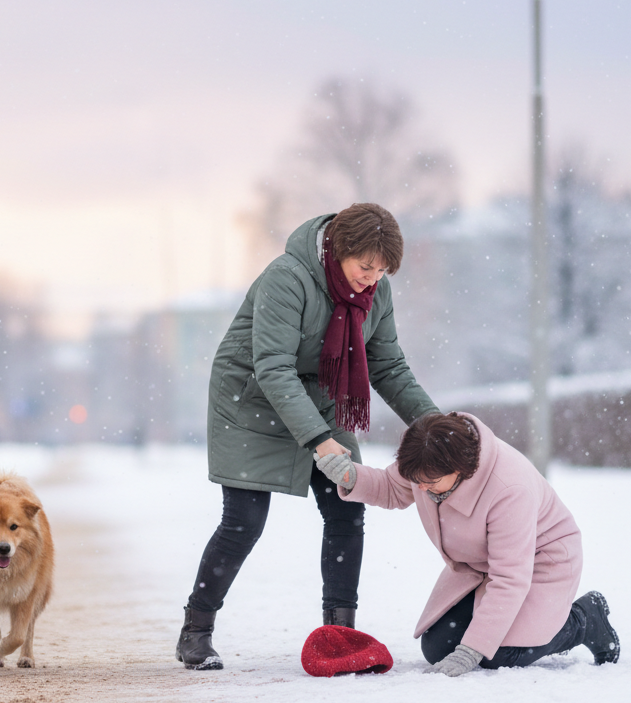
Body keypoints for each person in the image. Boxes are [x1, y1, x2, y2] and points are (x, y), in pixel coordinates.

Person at [176, 203, 439, 670]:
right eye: (366, 266)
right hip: (252, 398)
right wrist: (321, 441)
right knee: (244, 523)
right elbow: (274, 368)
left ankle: (341, 636)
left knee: (346, 508)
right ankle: (196, 630)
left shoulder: (376, 293)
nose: (372, 279)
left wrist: (436, 426)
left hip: (322, 395)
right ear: (340, 250)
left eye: (382, 271)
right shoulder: (288, 277)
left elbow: (388, 366)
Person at [317, 411, 620, 676]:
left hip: (541, 564)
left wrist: (473, 649)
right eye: (417, 481)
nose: (421, 489)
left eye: (429, 484)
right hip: (482, 566)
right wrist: (350, 476)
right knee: (439, 647)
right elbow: (392, 488)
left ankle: (583, 619)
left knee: (497, 653)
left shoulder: (509, 488)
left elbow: (510, 578)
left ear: (460, 470)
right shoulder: (427, 456)